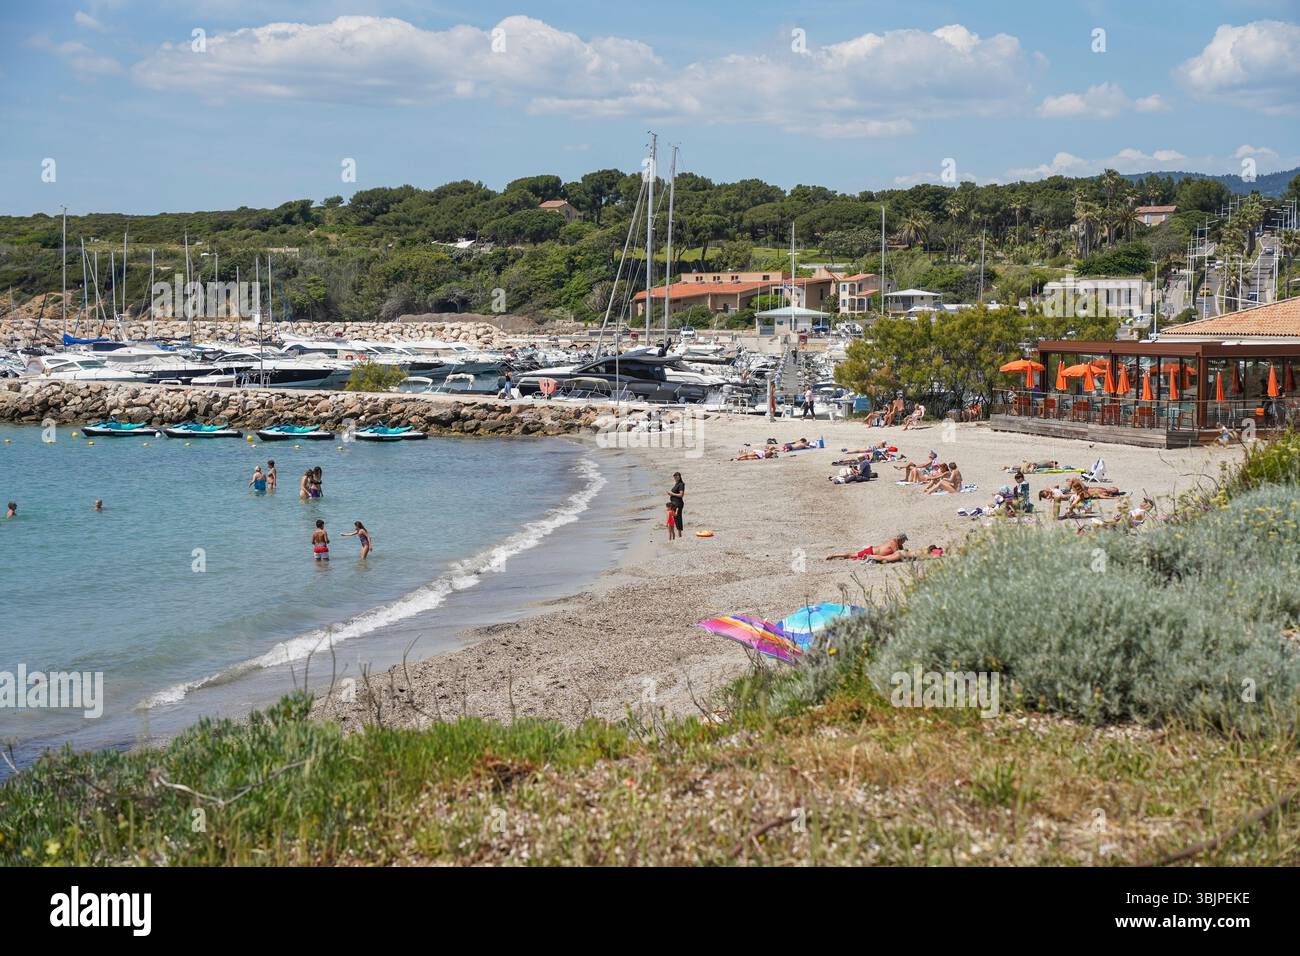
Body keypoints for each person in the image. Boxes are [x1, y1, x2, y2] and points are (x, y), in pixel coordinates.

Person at [826, 533, 908, 561]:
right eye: (904, 540)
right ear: (900, 539)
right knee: (851, 555)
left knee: (853, 555)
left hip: (872, 550)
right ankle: (834, 555)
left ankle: (834, 555)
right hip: (871, 551)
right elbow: (897, 553)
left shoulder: (896, 543)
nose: (904, 542)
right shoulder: (893, 542)